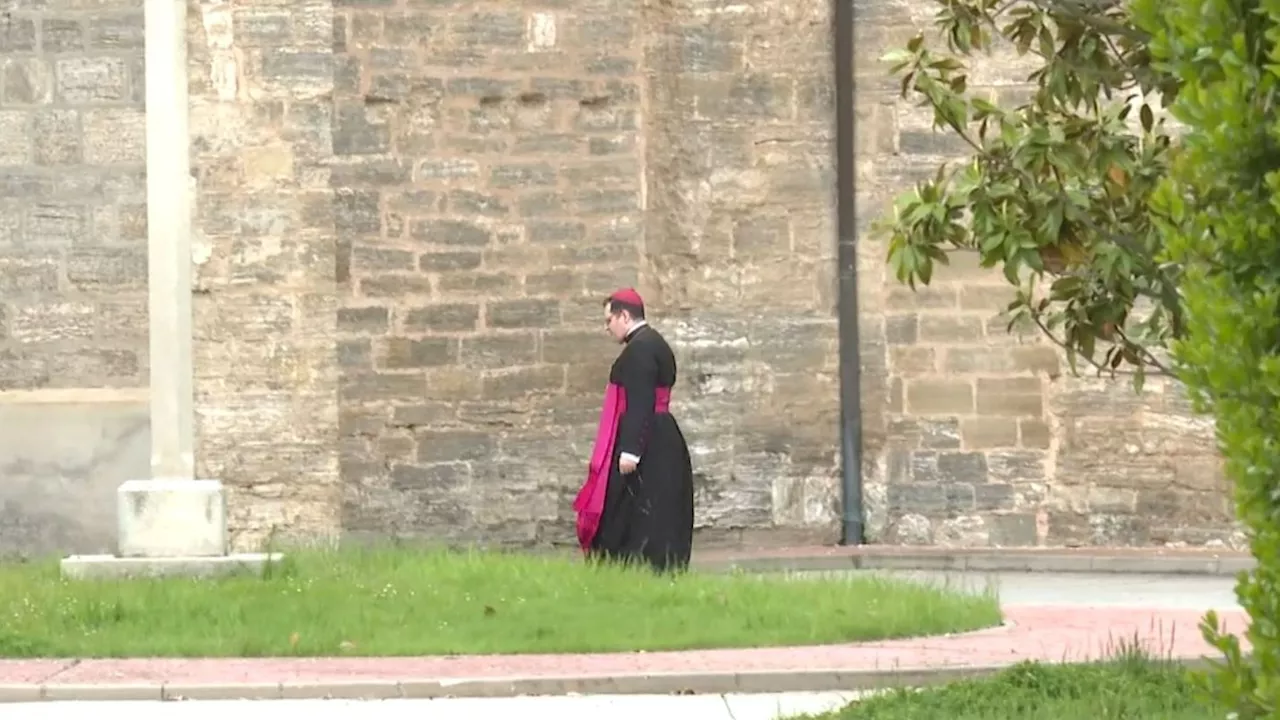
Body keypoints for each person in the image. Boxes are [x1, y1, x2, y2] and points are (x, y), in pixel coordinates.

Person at [573, 288, 695, 573]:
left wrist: (630, 451)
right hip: (660, 434)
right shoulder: (653, 342)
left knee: (631, 504)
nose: (607, 328)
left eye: (609, 320)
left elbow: (640, 400)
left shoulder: (640, 349)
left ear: (624, 316)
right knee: (654, 504)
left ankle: (631, 565)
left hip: (646, 439)